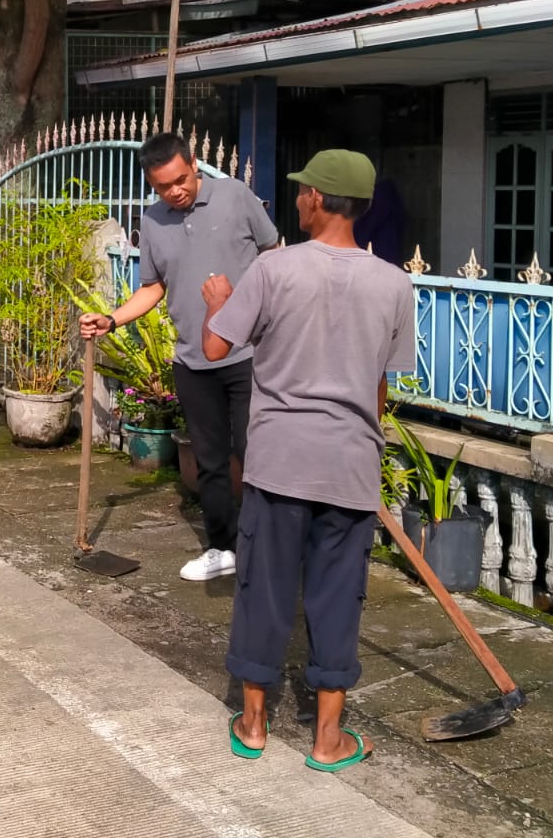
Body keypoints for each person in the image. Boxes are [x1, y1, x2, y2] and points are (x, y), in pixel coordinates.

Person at [200, 149, 415, 774]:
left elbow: (216, 346)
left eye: (301, 192)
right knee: (337, 596)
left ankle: (255, 721)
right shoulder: (394, 283)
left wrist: (220, 299)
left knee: (263, 590)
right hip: (349, 462)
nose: (295, 200)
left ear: (318, 199)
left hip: (278, 462)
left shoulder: (274, 270)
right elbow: (380, 387)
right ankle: (328, 740)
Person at [78, 132, 278, 581]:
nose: (176, 191)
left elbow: (273, 255)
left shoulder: (236, 196)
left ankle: (268, 546)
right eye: (164, 186)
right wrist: (111, 319)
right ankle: (222, 547)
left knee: (256, 455)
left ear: (194, 163)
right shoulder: (153, 221)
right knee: (208, 460)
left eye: (181, 180)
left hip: (250, 354)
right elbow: (153, 287)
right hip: (192, 360)